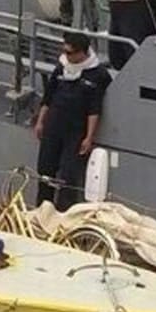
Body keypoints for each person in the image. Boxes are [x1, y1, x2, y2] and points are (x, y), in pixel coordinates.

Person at [34, 31, 111, 210]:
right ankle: (42, 209)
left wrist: (89, 137)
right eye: (65, 52)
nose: (66, 56)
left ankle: (63, 212)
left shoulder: (97, 74)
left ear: (82, 53)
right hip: (54, 124)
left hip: (75, 130)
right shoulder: (61, 68)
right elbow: (49, 96)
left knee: (68, 175)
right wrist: (40, 121)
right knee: (45, 169)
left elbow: (94, 108)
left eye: (70, 53)